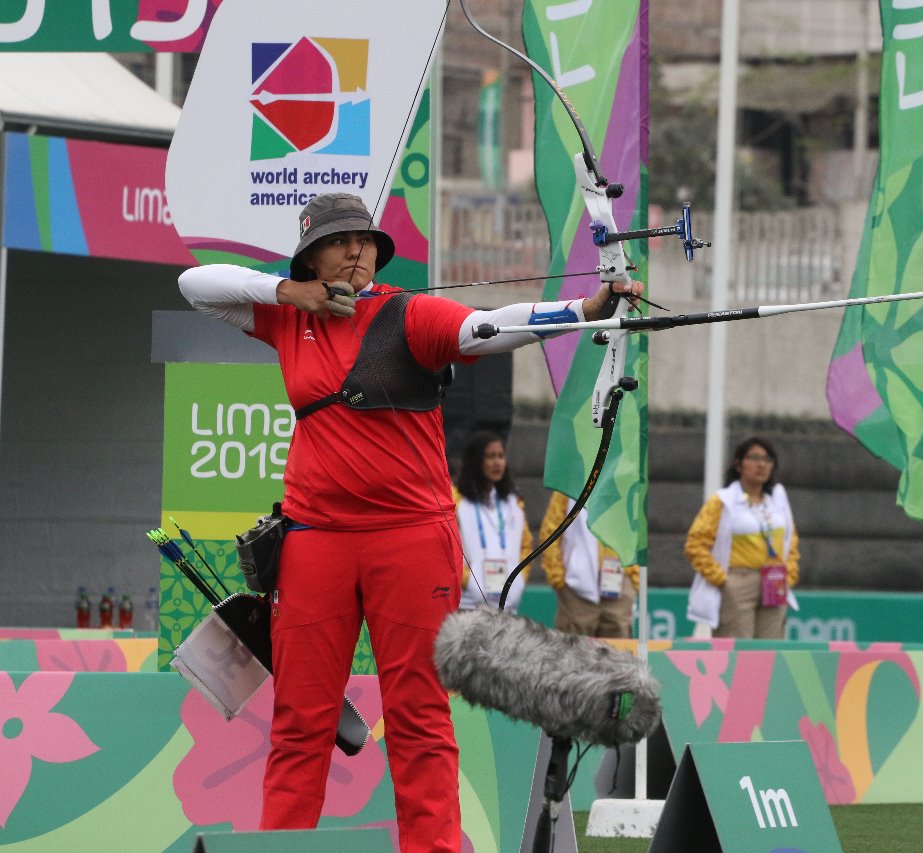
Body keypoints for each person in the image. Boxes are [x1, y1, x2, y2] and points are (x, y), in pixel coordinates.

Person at [177, 192, 641, 853]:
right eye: (341, 242)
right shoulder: (287, 318)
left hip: (410, 540)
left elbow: (488, 327)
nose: (358, 251)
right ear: (312, 255)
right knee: (300, 722)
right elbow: (195, 283)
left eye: (365, 240)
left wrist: (582, 310)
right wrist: (291, 293)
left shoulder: (407, 313)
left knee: (420, 717)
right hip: (315, 542)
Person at [685, 436, 800, 639]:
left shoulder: (778, 500)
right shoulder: (723, 501)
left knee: (771, 650)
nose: (761, 465)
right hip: (739, 579)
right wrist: (723, 580)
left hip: (774, 581)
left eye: (767, 459)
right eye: (754, 458)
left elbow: (791, 543)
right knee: (736, 649)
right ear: (739, 465)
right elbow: (696, 544)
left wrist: (789, 575)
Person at [539, 490, 639, 638]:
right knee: (574, 651)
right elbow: (551, 531)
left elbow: (633, 529)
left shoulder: (622, 480)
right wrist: (557, 578)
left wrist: (633, 576)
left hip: (617, 583)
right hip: (576, 588)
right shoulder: (568, 485)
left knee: (618, 652)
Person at [453, 431, 533, 613]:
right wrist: (468, 582)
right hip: (468, 606)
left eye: (501, 456)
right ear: (476, 461)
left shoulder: (513, 501)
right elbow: (448, 549)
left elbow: (525, 546)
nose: (497, 462)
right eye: (490, 456)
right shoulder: (456, 499)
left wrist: (519, 580)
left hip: (507, 607)